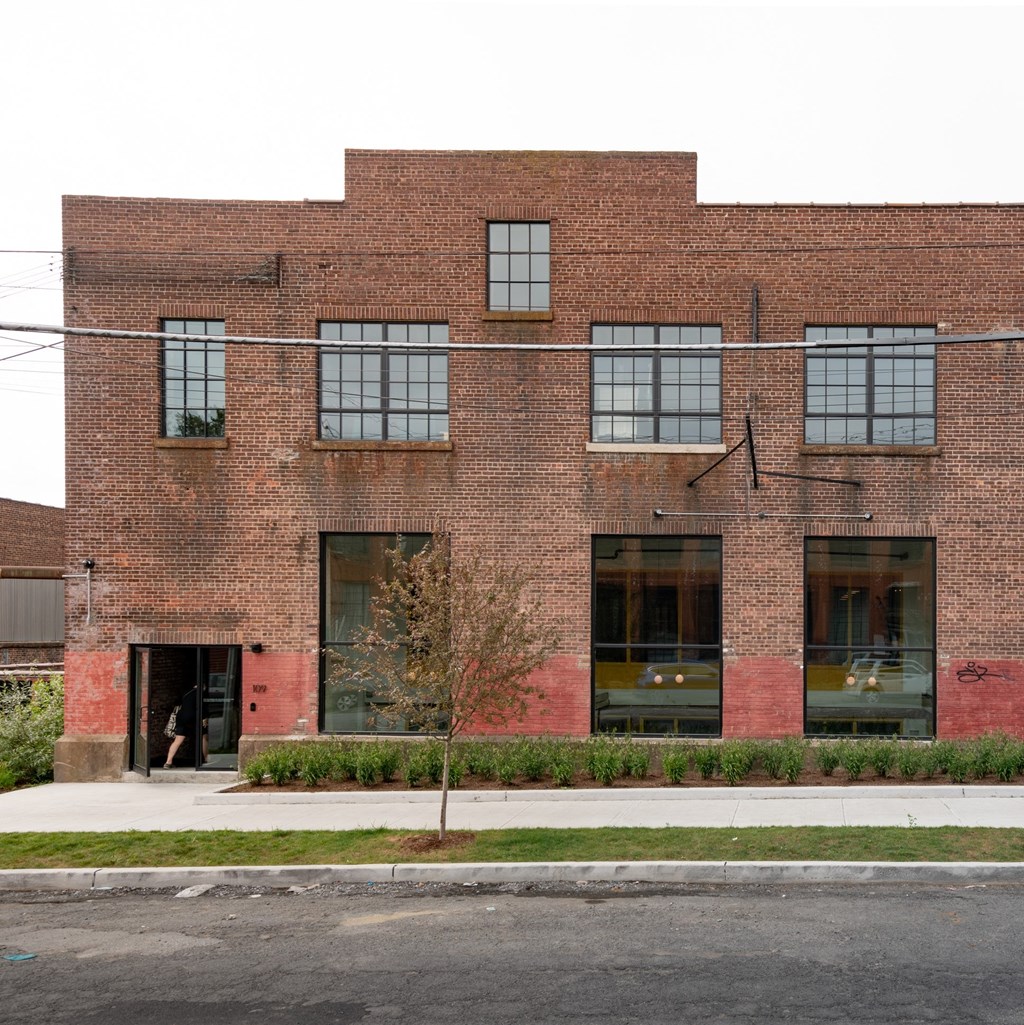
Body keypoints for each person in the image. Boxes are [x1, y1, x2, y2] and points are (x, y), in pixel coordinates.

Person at [164, 686, 207, 768]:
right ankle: (206, 759)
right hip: (193, 718)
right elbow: (202, 706)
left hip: (181, 717)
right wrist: (204, 717)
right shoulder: (200, 693)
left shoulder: (186, 691)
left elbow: (177, 702)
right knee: (203, 737)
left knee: (178, 740)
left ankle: (168, 762)